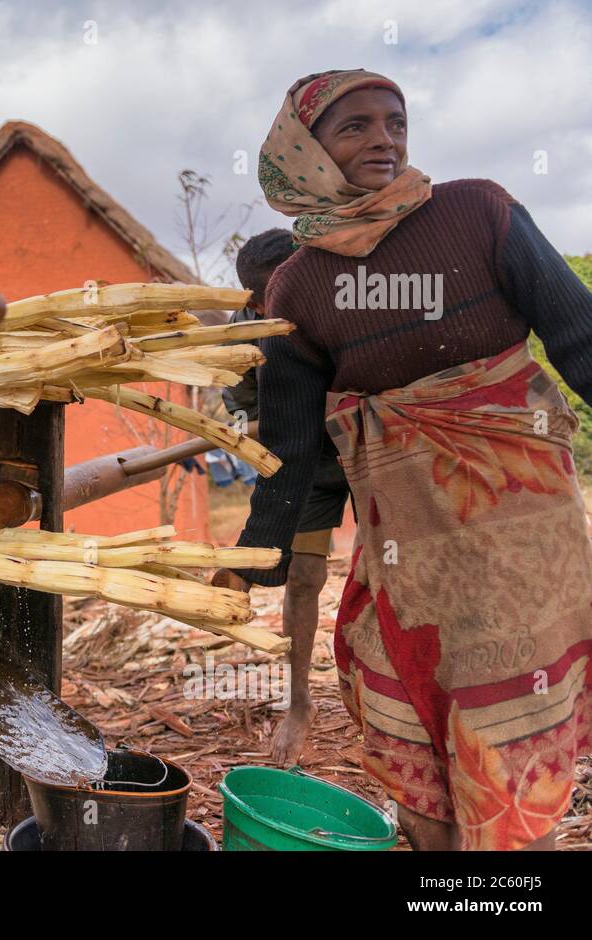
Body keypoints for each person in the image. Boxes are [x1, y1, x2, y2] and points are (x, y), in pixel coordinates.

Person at [212, 70, 592, 851]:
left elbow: (579, 339)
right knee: (403, 704)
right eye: (354, 127)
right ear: (305, 150)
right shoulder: (296, 287)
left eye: (395, 121)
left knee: (503, 723)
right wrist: (256, 560)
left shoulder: (479, 212)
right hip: (408, 551)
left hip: (523, 535)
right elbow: (290, 446)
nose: (383, 138)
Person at [220, 228, 351, 765]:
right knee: (302, 576)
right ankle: (300, 704)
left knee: (395, 569)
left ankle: (400, 696)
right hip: (303, 459)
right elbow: (244, 414)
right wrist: (266, 424)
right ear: (256, 302)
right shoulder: (242, 337)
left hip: (372, 442)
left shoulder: (350, 299)